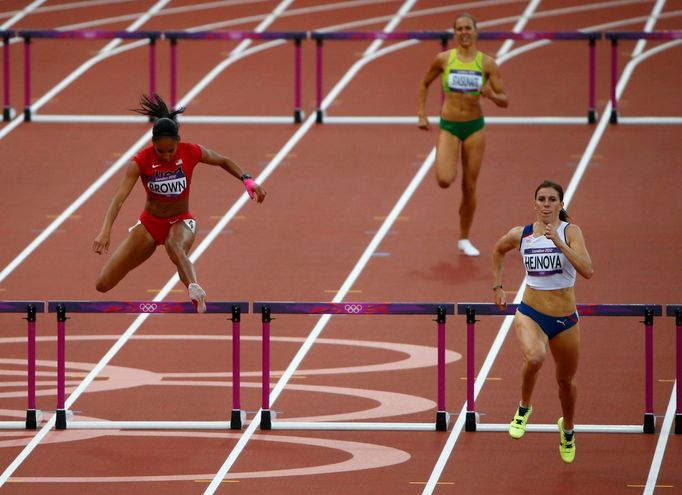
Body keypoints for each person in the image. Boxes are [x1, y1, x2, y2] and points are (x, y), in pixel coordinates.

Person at [92, 94, 266, 312]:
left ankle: (194, 288)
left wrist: (246, 179)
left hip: (180, 221)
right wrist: (105, 230)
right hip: (149, 225)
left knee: (175, 246)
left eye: (171, 151)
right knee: (103, 283)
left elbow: (222, 160)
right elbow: (119, 198)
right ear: (153, 143)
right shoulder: (141, 161)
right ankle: (189, 284)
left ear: (178, 142)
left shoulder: (191, 151)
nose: (166, 156)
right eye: (160, 151)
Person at [491, 180, 593, 463]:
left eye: (552, 200)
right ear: (534, 204)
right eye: (542, 199)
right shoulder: (521, 234)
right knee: (535, 358)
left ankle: (568, 428)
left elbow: (588, 270)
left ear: (561, 205)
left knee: (565, 382)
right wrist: (498, 287)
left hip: (565, 320)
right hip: (531, 312)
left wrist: (559, 243)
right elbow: (498, 250)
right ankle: (524, 407)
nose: (546, 204)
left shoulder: (571, 232)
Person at [417, 13, 508, 256]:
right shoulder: (443, 59)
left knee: (469, 187)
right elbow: (424, 83)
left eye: (468, 28)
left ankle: (464, 237)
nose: (464, 32)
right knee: (445, 179)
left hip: (474, 127)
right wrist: (422, 115)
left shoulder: (487, 64)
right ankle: (463, 214)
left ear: (476, 31)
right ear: (455, 33)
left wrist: (490, 94)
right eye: (459, 29)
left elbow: (504, 100)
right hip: (449, 125)